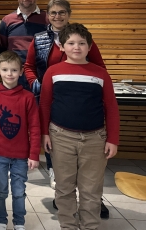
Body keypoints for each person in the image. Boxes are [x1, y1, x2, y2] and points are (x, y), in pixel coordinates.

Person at [39, 23, 120, 230]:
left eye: (82, 43)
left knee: (91, 189)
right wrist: (44, 133)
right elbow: (45, 104)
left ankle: (89, 226)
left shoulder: (100, 73)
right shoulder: (53, 72)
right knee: (64, 187)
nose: (77, 47)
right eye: (71, 43)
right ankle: (67, 225)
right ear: (62, 47)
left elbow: (111, 107)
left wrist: (112, 139)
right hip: (60, 136)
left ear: (89, 46)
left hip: (95, 140)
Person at [24, 0, 106, 195]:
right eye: (53, 13)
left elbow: (99, 67)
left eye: (61, 12)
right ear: (48, 16)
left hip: (77, 97)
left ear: (68, 14)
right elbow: (29, 66)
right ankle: (55, 170)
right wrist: (36, 84)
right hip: (48, 96)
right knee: (52, 135)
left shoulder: (83, 37)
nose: (57, 16)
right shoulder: (40, 38)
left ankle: (83, 182)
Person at [0, 51, 40, 230]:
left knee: (18, 191)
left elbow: (35, 128)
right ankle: (1, 221)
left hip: (21, 155)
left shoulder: (28, 97)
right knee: (0, 191)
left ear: (21, 72)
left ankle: (19, 223)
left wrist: (34, 155)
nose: (9, 74)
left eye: (14, 70)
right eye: (5, 69)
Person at [0, 0, 48, 90]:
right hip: (14, 75)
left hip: (40, 73)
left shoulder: (47, 19)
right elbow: (2, 48)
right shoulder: (7, 20)